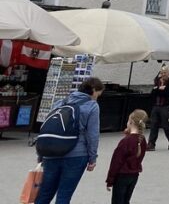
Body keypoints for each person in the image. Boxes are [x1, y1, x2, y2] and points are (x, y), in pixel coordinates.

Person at [35, 76, 104, 204]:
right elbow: (92, 135)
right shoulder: (92, 105)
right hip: (76, 155)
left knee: (44, 193)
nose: (97, 97)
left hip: (51, 153)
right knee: (64, 195)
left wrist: (41, 154)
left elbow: (48, 128)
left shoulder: (60, 102)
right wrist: (92, 158)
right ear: (94, 90)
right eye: (98, 94)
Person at [106, 109, 148, 204]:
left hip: (122, 175)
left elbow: (116, 162)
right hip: (134, 175)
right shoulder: (142, 140)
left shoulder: (125, 141)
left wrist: (110, 180)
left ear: (131, 122)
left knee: (117, 201)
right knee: (126, 200)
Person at [148, 65, 169, 150]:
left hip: (166, 105)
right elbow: (153, 93)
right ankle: (151, 144)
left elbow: (168, 93)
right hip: (156, 105)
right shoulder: (157, 80)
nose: (163, 74)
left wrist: (158, 90)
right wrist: (159, 89)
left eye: (165, 73)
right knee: (153, 124)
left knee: (164, 123)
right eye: (162, 72)